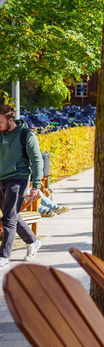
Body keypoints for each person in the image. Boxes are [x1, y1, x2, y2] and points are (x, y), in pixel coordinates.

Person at [0, 105, 44, 270]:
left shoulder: (26, 135)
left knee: (8, 218)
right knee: (11, 215)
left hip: (18, 179)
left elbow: (37, 160)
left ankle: (3, 256)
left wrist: (36, 185)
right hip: (1, 178)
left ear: (11, 120)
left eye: (0, 122)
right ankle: (33, 241)